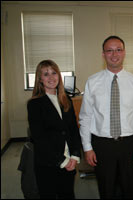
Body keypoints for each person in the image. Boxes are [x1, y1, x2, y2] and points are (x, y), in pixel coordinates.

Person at [79, 35, 133, 199]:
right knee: (106, 190)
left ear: (124, 53)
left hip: (129, 145)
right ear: (103, 55)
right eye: (109, 51)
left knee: (130, 190)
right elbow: (85, 117)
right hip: (102, 145)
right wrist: (87, 148)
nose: (114, 54)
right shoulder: (92, 82)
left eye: (118, 50)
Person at [27, 59, 81, 198]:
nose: (51, 77)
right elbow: (39, 138)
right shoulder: (34, 104)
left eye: (54, 73)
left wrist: (75, 155)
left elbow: (74, 130)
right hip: (49, 164)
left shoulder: (65, 99)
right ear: (40, 79)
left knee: (68, 195)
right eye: (46, 74)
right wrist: (62, 160)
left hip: (70, 160)